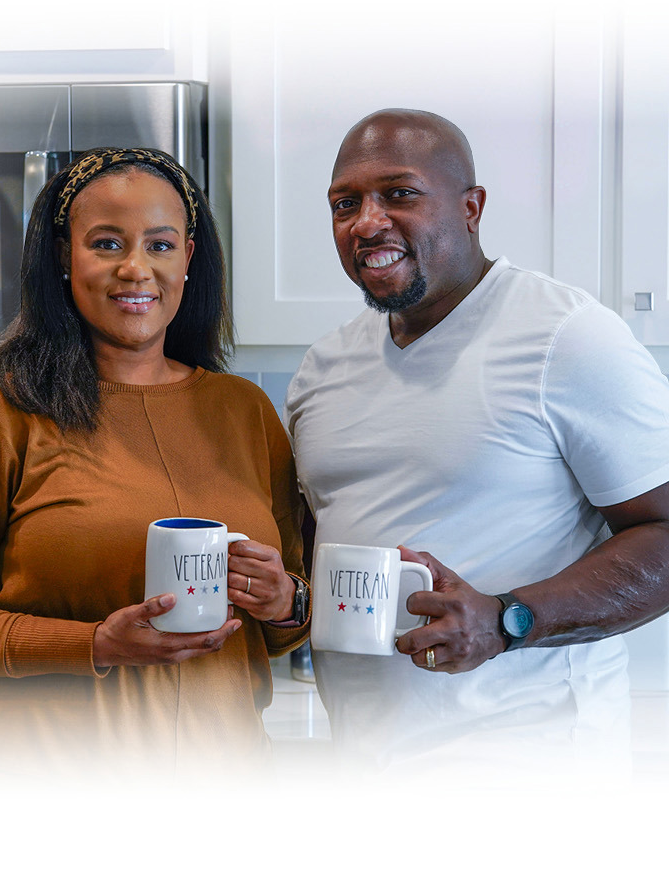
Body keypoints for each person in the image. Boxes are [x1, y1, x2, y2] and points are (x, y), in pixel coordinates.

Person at [0, 147, 310, 782]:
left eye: (160, 245)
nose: (136, 268)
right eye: (107, 243)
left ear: (189, 258)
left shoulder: (244, 411)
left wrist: (284, 602)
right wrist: (94, 645)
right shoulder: (1, 409)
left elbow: (286, 624)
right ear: (65, 257)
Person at [286, 108, 669, 778]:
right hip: (363, 765)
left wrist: (506, 619)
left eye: (399, 194)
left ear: (471, 207)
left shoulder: (565, 336)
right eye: (345, 203)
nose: (367, 221)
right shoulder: (324, 368)